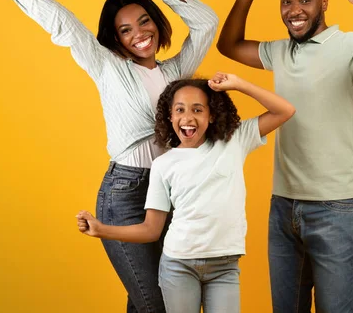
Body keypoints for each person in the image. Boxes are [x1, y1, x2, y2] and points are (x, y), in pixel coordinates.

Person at [0, 0, 218, 313]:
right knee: (156, 304)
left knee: (149, 300)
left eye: (143, 22)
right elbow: (63, 23)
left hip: (170, 193)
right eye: (126, 30)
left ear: (155, 22)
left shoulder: (177, 73)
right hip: (124, 194)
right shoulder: (107, 66)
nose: (139, 34)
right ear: (116, 39)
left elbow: (206, 23)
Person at [216, 0, 353, 313]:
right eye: (286, 1)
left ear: (324, 3)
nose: (294, 10)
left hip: (337, 209)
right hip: (284, 208)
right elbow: (229, 45)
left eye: (305, 0)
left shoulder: (347, 45)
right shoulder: (281, 52)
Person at [76, 72, 295, 313]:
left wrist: (239, 84)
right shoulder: (163, 164)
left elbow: (284, 110)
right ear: (170, 117)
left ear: (211, 115)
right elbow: (151, 229)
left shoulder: (234, 140)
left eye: (198, 109)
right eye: (179, 110)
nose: (188, 118)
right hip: (178, 266)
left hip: (224, 266)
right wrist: (101, 229)